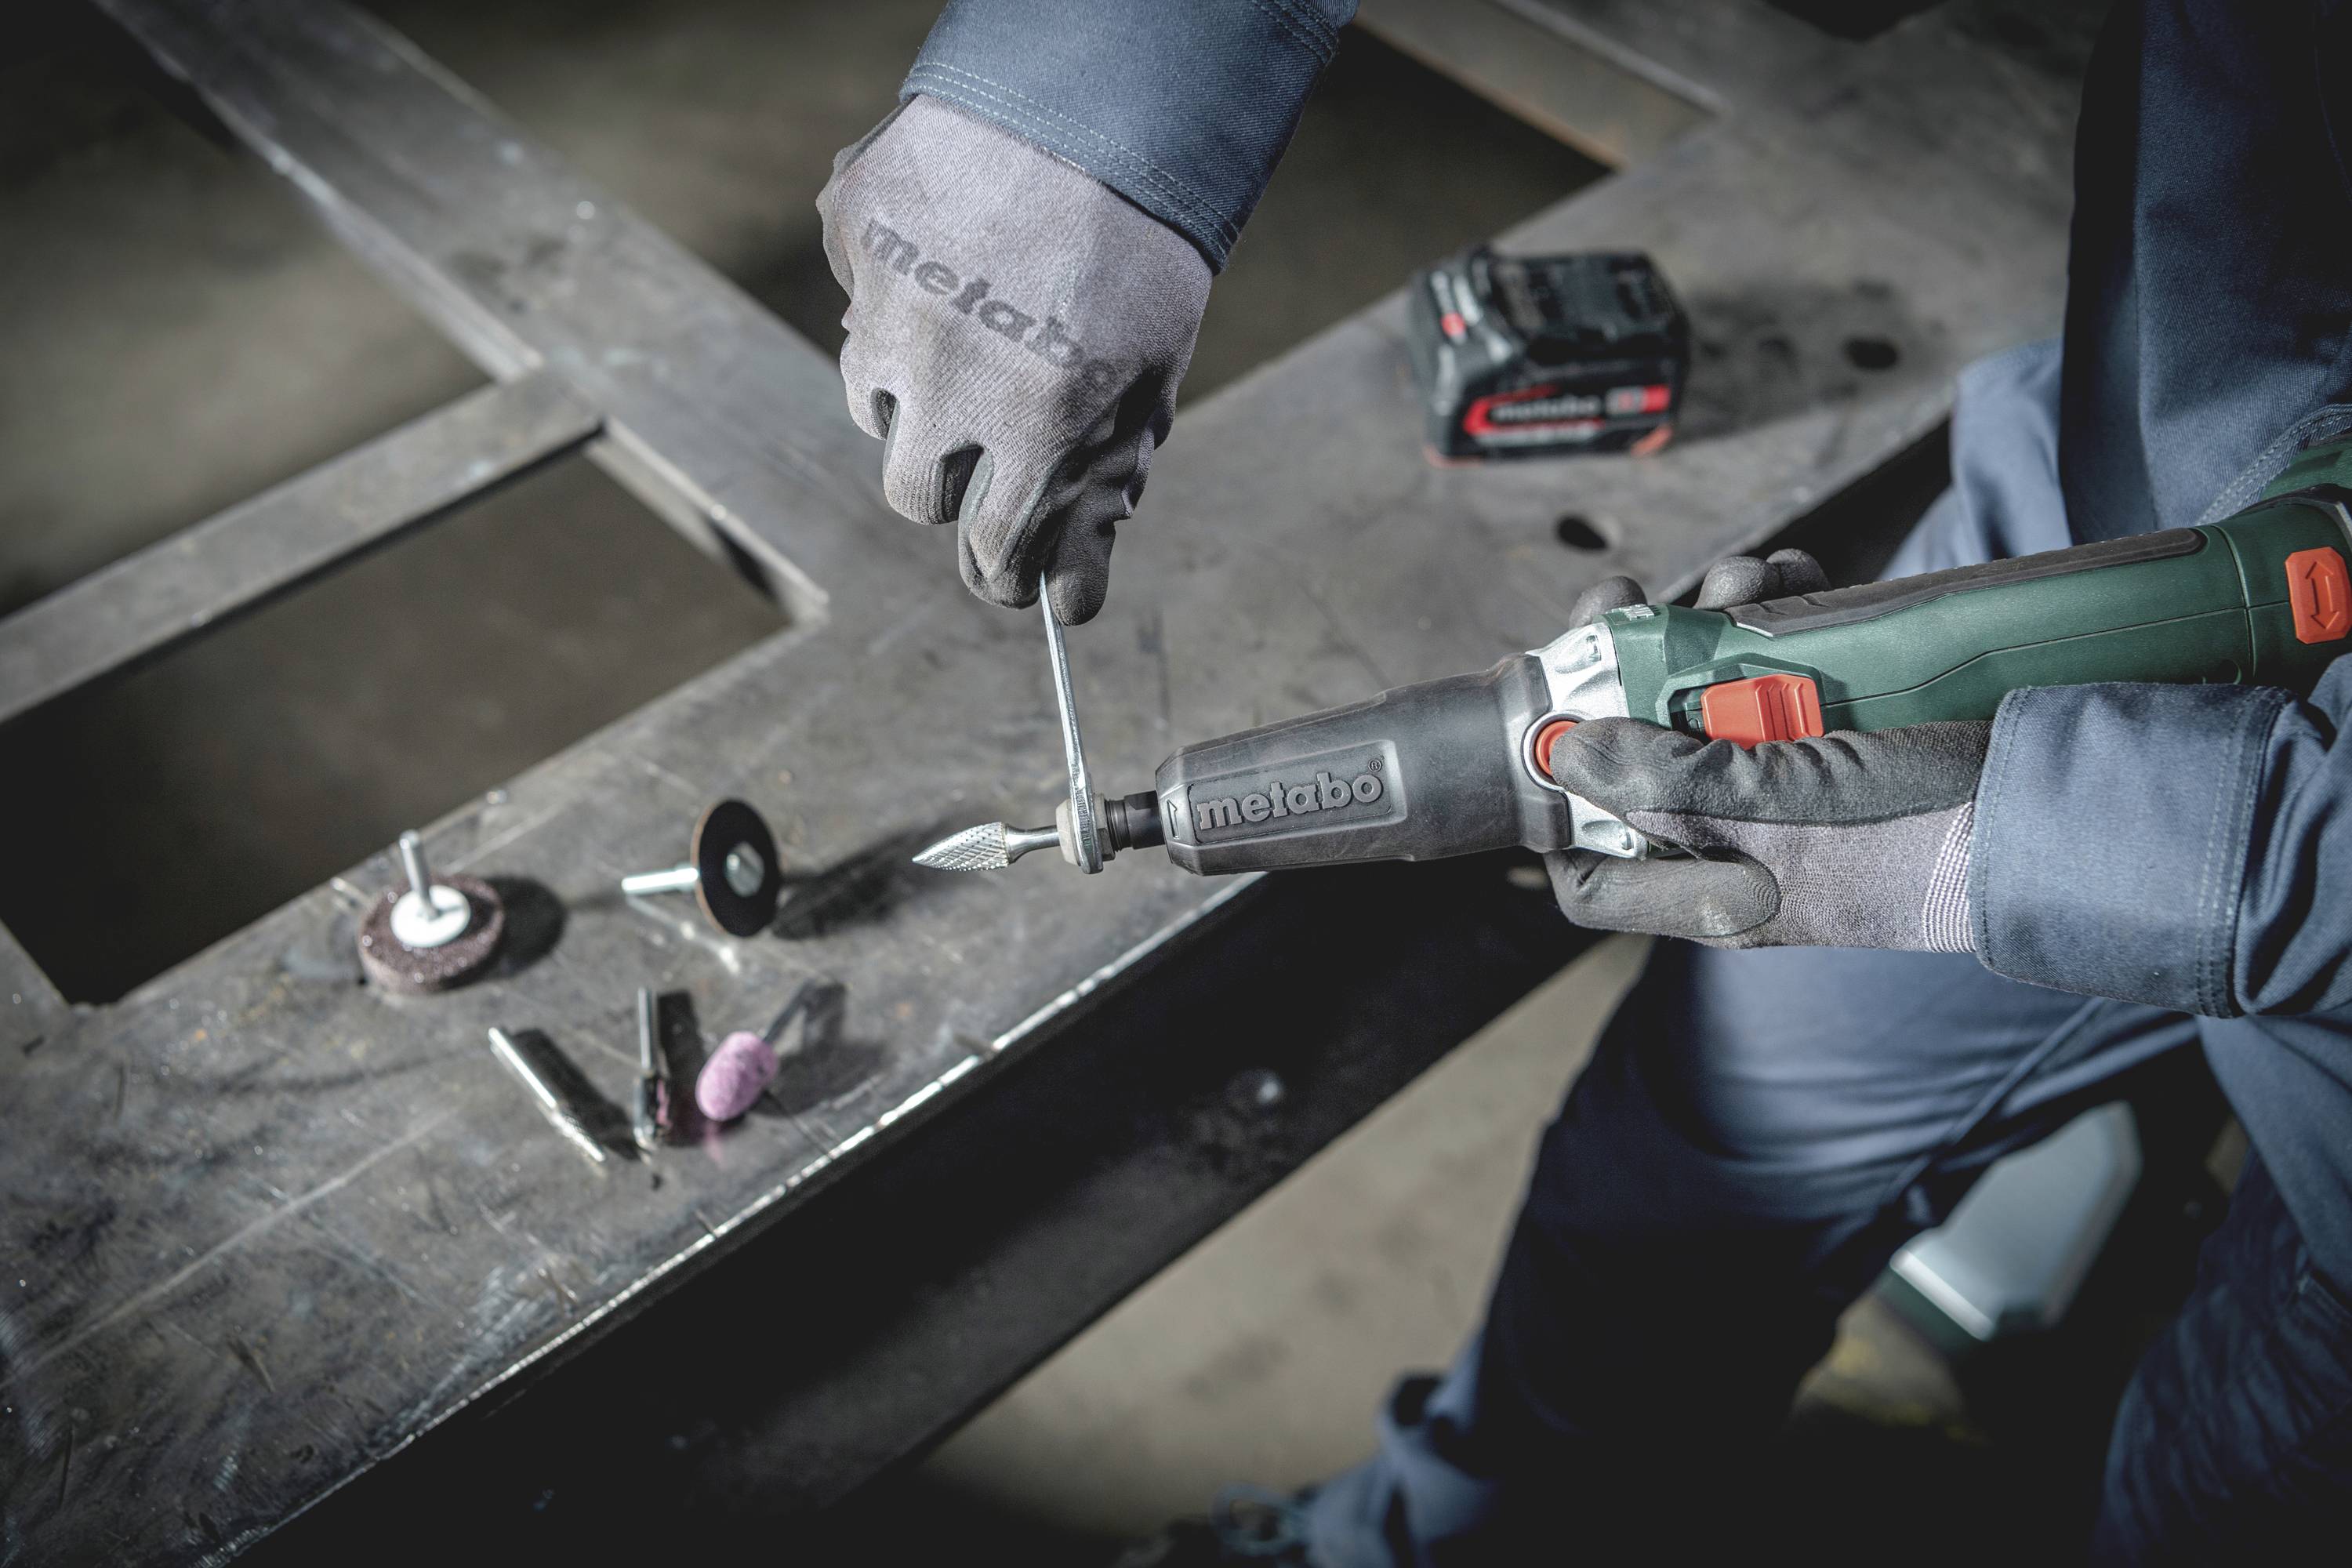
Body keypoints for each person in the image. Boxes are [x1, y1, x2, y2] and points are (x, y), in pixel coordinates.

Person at [815, 1, 2352, 1559]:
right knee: (1685, 1174)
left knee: (2221, 1488)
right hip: (2134, 504)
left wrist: (2135, 852)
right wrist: (1092, 101)